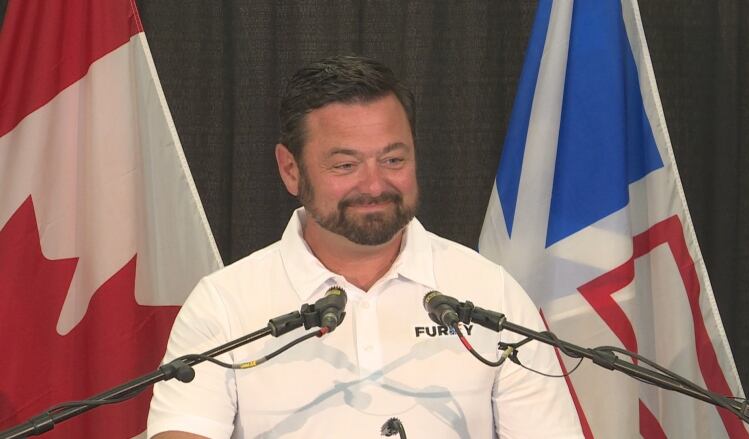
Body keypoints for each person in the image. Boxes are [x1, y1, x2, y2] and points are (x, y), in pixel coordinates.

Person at [147, 55, 583, 438]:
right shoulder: (223, 304)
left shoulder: (491, 293)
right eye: (345, 165)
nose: (375, 184)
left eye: (394, 160)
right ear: (290, 169)